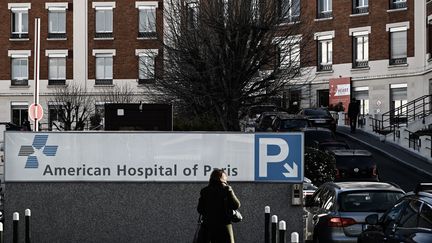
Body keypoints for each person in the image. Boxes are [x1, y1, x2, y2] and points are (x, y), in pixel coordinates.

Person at [197, 169, 241, 243]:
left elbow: (200, 209)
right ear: (223, 178)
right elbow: (236, 205)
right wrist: (230, 191)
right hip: (224, 228)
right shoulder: (226, 189)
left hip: (208, 229)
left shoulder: (205, 191)